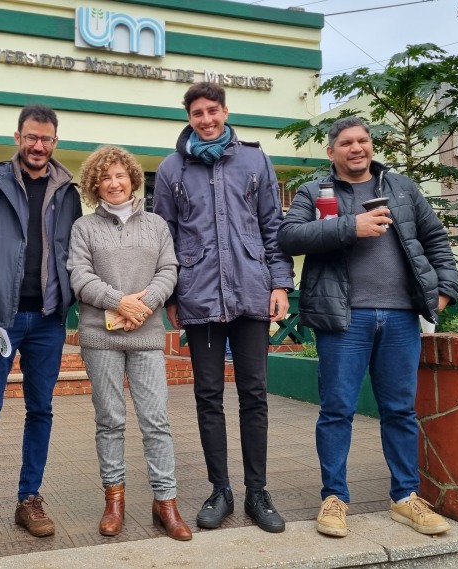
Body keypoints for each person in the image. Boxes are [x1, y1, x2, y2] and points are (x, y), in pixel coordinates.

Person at [277, 116, 458, 538]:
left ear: (371, 145)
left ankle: (405, 497)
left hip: (400, 316)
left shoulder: (402, 188)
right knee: (337, 409)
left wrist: (443, 291)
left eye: (362, 140)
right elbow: (289, 236)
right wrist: (349, 226)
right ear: (331, 152)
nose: (356, 148)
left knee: (399, 410)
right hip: (344, 317)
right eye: (345, 142)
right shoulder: (313, 191)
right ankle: (335, 498)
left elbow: (435, 240)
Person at [153, 82, 294, 534]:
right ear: (189, 117)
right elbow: (165, 239)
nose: (206, 119)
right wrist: (173, 295)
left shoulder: (255, 160)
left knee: (254, 395)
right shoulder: (171, 168)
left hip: (252, 293)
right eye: (198, 113)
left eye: (213, 111)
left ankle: (257, 491)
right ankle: (221, 490)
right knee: (207, 396)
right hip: (199, 297)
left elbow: (274, 227)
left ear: (225, 111)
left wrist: (281, 284)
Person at [0, 105, 82, 546]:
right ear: (17, 137)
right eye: (31, 137)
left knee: (41, 410)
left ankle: (29, 498)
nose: (38, 146)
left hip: (48, 319)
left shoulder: (68, 190)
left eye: (46, 139)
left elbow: (76, 249)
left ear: (54, 142)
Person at [68, 146, 191, 541]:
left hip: (146, 335)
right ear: (95, 184)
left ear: (133, 179)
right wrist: (117, 302)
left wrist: (144, 304)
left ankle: (166, 502)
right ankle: (114, 501)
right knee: (110, 421)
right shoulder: (83, 228)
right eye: (106, 177)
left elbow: (169, 269)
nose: (114, 183)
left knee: (156, 421)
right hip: (100, 338)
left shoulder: (156, 225)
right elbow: (79, 276)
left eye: (121, 175)